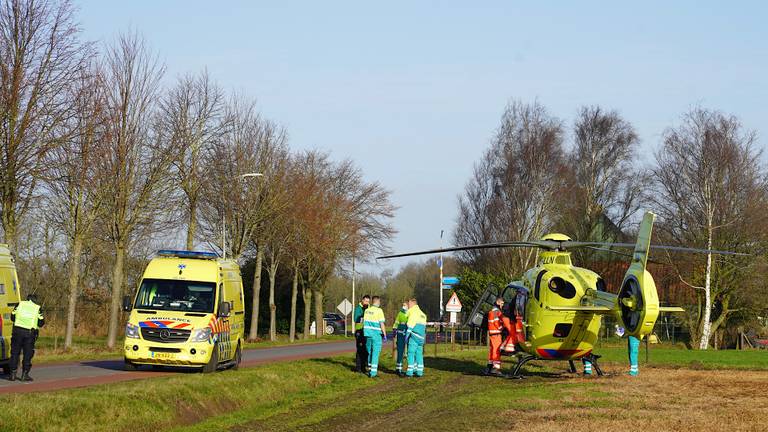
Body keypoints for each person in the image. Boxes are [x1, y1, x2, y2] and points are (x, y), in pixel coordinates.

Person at [9, 294, 45, 382]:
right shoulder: (37, 308)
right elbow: (41, 323)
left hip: (17, 332)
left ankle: (13, 374)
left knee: (14, 353)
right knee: (27, 354)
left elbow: (12, 317)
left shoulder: (19, 304)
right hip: (29, 333)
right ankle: (24, 375)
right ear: (35, 300)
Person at [363, 296, 387, 378]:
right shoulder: (379, 311)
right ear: (377, 302)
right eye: (379, 301)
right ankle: (373, 373)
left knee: (370, 352)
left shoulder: (367, 311)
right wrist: (384, 334)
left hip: (367, 334)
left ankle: (369, 369)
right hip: (376, 334)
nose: (380, 303)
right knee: (375, 353)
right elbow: (381, 323)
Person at [404, 297, 427, 377]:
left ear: (412, 303)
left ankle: (410, 371)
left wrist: (406, 337)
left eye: (409, 304)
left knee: (410, 353)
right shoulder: (423, 314)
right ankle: (419, 371)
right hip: (421, 338)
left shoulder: (413, 312)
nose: (408, 305)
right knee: (419, 354)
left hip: (414, 336)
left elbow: (410, 325)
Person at [484, 296, 504, 376]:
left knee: (492, 351)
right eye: (502, 303)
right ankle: (495, 368)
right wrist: (502, 328)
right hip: (496, 334)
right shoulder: (497, 312)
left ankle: (489, 367)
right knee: (496, 351)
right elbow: (497, 323)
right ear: (498, 302)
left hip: (492, 333)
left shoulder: (492, 311)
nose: (502, 305)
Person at [352, 295, 370, 373]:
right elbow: (356, 319)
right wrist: (364, 315)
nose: (367, 303)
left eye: (368, 301)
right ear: (362, 300)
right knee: (360, 350)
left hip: (367, 331)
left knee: (366, 350)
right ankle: (358, 368)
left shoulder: (370, 308)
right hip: (359, 331)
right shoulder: (358, 308)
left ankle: (364, 367)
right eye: (365, 301)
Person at [392, 302, 409, 375]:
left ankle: (411, 369)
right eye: (403, 305)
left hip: (408, 332)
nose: (403, 306)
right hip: (400, 332)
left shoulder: (411, 313)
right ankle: (398, 368)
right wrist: (394, 329)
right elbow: (396, 322)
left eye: (405, 305)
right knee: (400, 351)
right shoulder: (400, 313)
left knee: (410, 351)